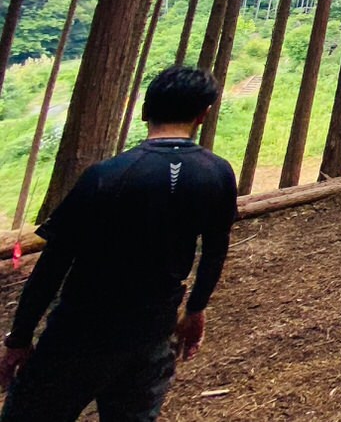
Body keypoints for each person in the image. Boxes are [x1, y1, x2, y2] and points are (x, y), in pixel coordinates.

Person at [0, 66, 238, 422]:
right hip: (154, 333)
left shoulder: (106, 176)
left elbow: (53, 265)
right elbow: (215, 250)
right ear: (202, 115)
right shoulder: (218, 173)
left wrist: (19, 338)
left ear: (145, 111)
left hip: (79, 335)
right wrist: (196, 308)